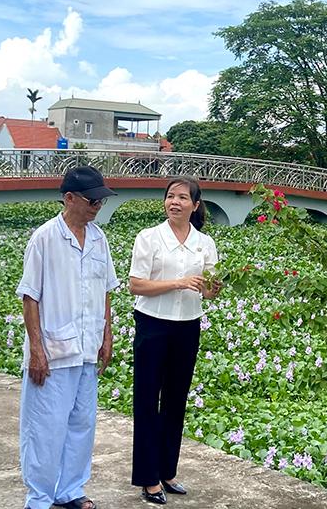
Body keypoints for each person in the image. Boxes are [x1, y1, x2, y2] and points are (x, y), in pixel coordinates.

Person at [18, 165, 118, 509]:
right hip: (53, 350)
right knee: (45, 427)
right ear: (70, 198)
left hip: (87, 347)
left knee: (82, 424)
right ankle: (39, 497)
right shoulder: (45, 238)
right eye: (92, 201)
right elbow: (30, 296)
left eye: (101, 202)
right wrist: (36, 349)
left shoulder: (99, 239)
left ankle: (71, 489)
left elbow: (106, 290)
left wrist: (106, 334)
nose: (97, 207)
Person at [129, 176, 219, 505]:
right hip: (153, 324)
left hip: (187, 326)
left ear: (195, 205)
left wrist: (214, 287)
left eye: (182, 197)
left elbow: (208, 292)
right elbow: (136, 285)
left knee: (176, 400)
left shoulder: (204, 243)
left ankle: (167, 471)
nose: (175, 202)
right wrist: (178, 283)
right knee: (147, 400)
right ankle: (148, 478)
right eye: (170, 196)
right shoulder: (149, 237)